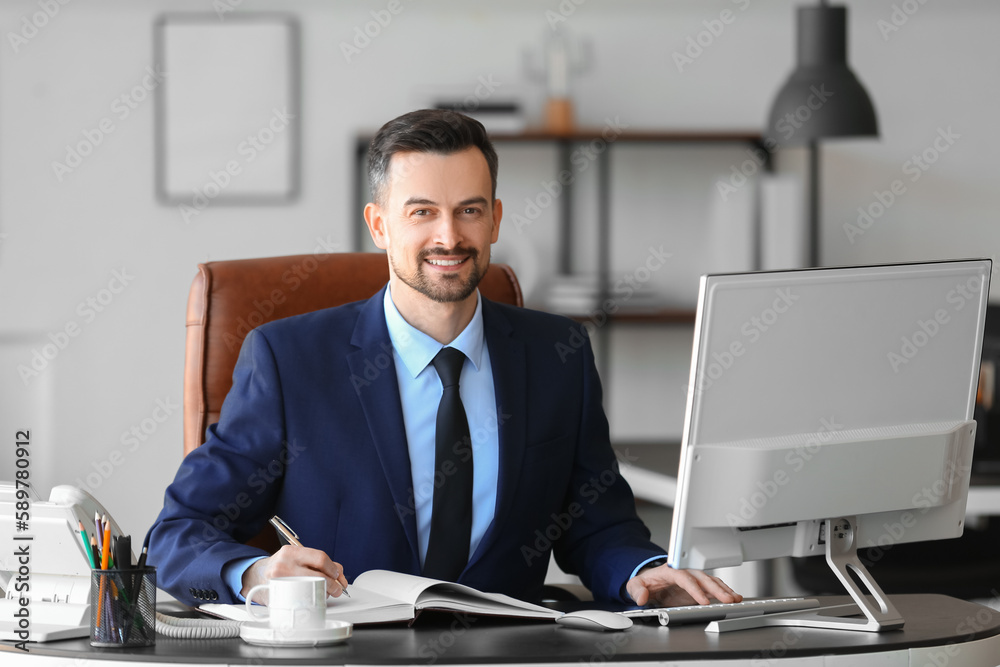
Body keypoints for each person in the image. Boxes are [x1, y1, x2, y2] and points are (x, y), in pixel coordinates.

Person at [147, 109, 740, 609]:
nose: (449, 237)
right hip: (350, 654)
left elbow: (598, 523)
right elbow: (178, 534)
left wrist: (642, 570)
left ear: (496, 220)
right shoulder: (289, 361)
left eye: (470, 210)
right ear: (379, 225)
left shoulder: (558, 355)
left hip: (510, 656)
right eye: (422, 211)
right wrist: (255, 576)